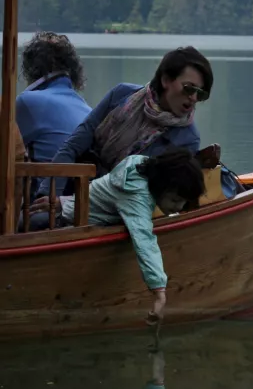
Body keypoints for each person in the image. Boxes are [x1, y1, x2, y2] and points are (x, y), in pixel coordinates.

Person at [28, 147, 206, 323]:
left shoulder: (140, 164)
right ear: (161, 186)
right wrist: (159, 291)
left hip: (69, 208)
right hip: (64, 222)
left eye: (183, 202)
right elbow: (144, 241)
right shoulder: (136, 196)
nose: (178, 207)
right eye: (175, 200)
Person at [38, 46, 213, 199]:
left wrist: (67, 205)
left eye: (201, 94)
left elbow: (150, 194)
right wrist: (49, 195)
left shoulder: (187, 139)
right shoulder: (122, 95)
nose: (193, 98)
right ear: (166, 80)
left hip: (115, 210)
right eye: (189, 88)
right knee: (37, 218)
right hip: (73, 186)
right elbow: (72, 146)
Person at [16, 32, 92, 163]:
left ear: (30, 68)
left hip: (47, 176)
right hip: (85, 176)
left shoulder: (27, 102)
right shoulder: (87, 109)